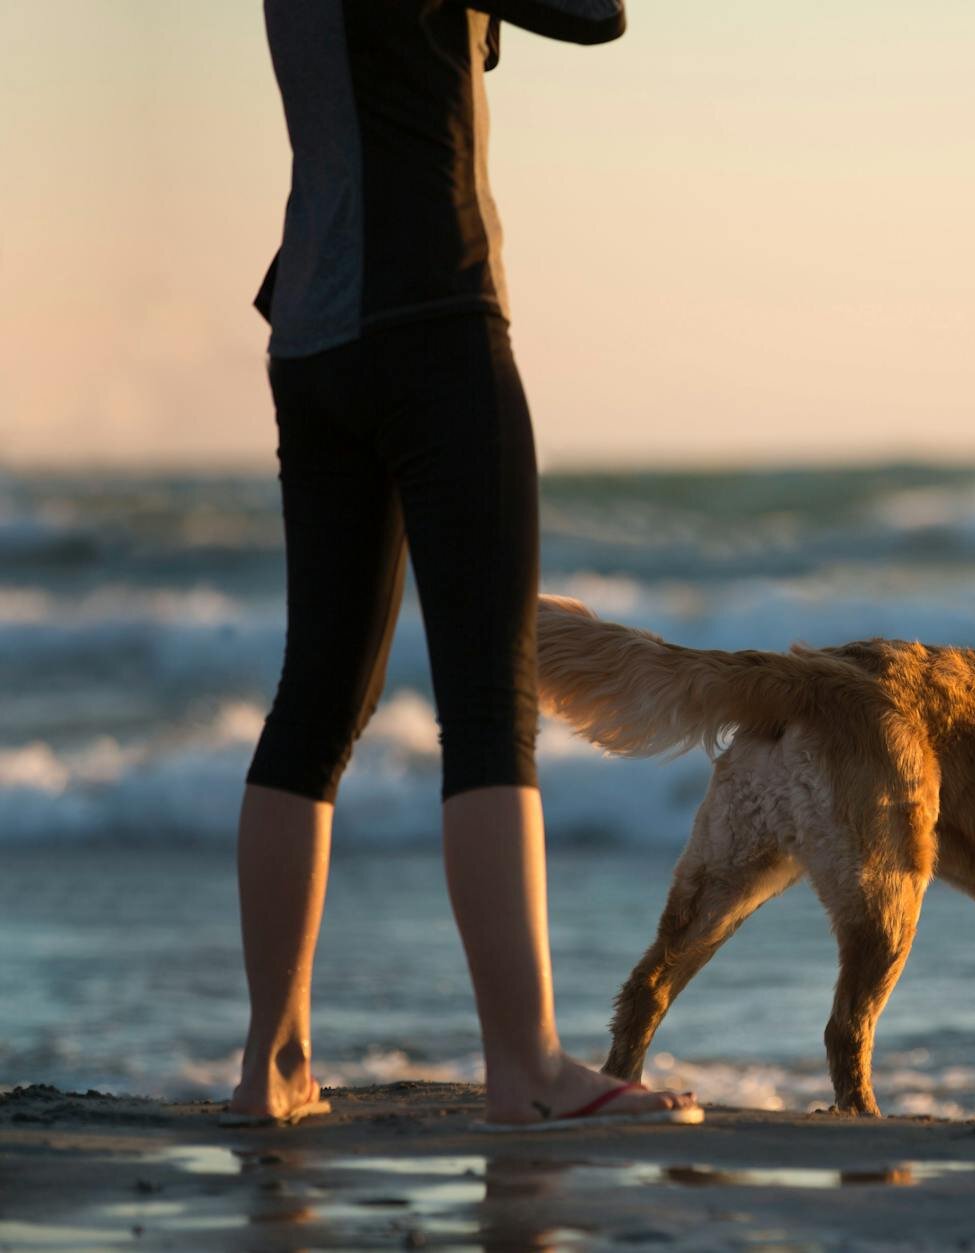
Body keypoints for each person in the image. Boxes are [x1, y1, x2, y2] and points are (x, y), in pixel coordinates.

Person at [226, 0, 698, 1128]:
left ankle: (272, 1065)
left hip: (311, 331)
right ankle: (528, 1066)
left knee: (316, 701)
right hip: (431, 314)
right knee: (487, 705)